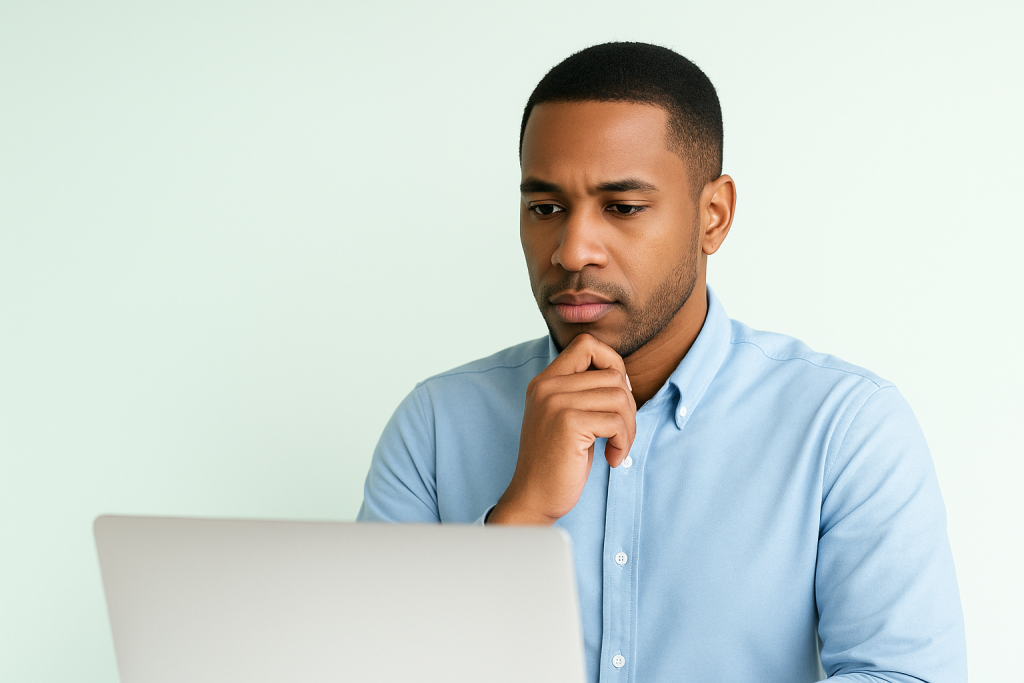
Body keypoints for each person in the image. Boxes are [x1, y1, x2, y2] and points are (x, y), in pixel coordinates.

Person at [357, 42, 967, 682]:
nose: (572, 251)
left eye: (621, 208)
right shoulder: (433, 426)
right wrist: (519, 518)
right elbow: (365, 669)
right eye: (545, 208)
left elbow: (906, 675)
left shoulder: (845, 428)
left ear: (714, 216)